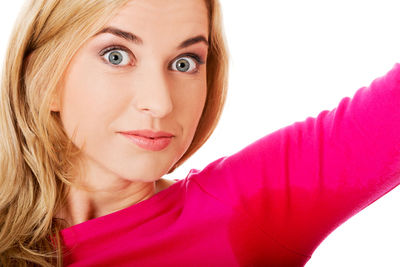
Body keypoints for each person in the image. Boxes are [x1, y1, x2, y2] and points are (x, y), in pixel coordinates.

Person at [1, 0, 400, 266]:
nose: (160, 104)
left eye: (185, 62)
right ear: (44, 79)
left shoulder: (242, 210)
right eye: (116, 56)